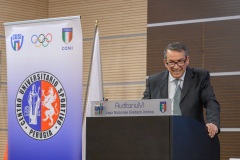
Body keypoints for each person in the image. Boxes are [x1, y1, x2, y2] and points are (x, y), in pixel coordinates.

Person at [142, 42, 220, 138]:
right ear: (165, 63)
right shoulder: (154, 81)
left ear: (187, 60)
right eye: (171, 62)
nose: (176, 66)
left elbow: (210, 101)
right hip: (161, 138)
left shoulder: (200, 77)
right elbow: (144, 108)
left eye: (180, 61)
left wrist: (212, 122)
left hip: (192, 137)